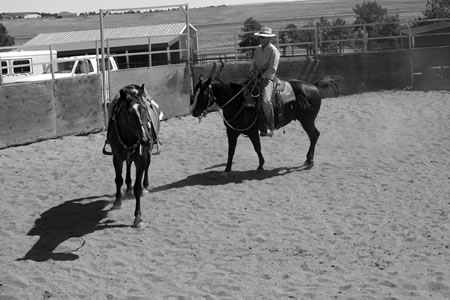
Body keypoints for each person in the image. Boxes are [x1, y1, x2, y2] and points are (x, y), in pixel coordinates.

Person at [250, 26, 280, 137]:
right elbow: (253, 62)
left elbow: (272, 68)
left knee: (265, 101)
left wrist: (262, 76)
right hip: (256, 76)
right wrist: (253, 71)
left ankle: (271, 128)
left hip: (268, 78)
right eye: (260, 37)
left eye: (263, 37)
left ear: (268, 39)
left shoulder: (274, 51)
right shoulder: (258, 49)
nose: (261, 39)